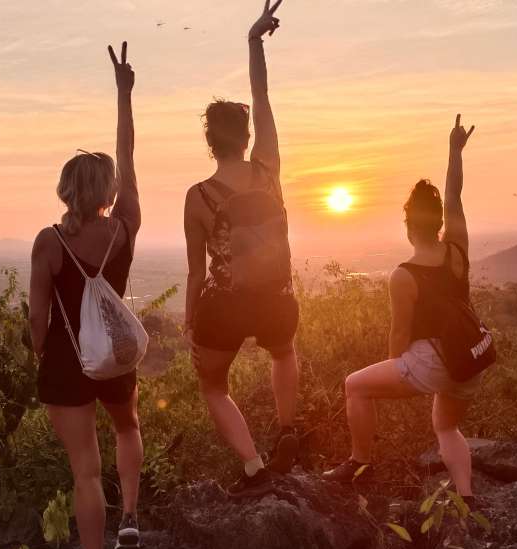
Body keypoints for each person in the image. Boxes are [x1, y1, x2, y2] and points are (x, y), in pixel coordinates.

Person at [28, 42, 141, 549]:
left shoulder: (49, 242)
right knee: (127, 427)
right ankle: (133, 518)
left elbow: (37, 318)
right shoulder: (124, 228)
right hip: (117, 355)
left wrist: (42, 359)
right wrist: (124, 94)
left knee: (85, 472)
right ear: (110, 190)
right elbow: (130, 159)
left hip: (68, 367)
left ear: (66, 189)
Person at [323, 115, 484, 505]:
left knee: (355, 386)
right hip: (471, 356)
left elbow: (399, 334)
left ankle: (360, 463)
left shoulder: (403, 275)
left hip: (431, 360)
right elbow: (455, 196)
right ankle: (466, 496)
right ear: (440, 221)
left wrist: (399, 371)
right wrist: (454, 152)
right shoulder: (457, 248)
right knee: (446, 427)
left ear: (407, 224)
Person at [183, 0, 301, 497]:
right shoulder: (268, 169)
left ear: (210, 142)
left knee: (213, 385)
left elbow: (194, 272)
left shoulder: (198, 197)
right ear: (248, 136)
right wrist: (253, 42)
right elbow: (264, 94)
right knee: (284, 352)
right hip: (276, 299)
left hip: (225, 306)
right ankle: (289, 430)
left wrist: (191, 320)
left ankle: (253, 463)